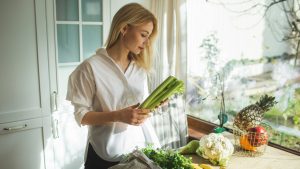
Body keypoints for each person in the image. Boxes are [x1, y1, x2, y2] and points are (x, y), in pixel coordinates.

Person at [66, 3, 161, 169]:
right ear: (124, 28)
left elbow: (139, 109)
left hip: (137, 153)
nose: (147, 43)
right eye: (144, 35)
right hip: (103, 156)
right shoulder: (90, 67)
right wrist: (118, 116)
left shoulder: (139, 68)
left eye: (149, 37)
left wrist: (152, 106)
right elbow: (81, 116)